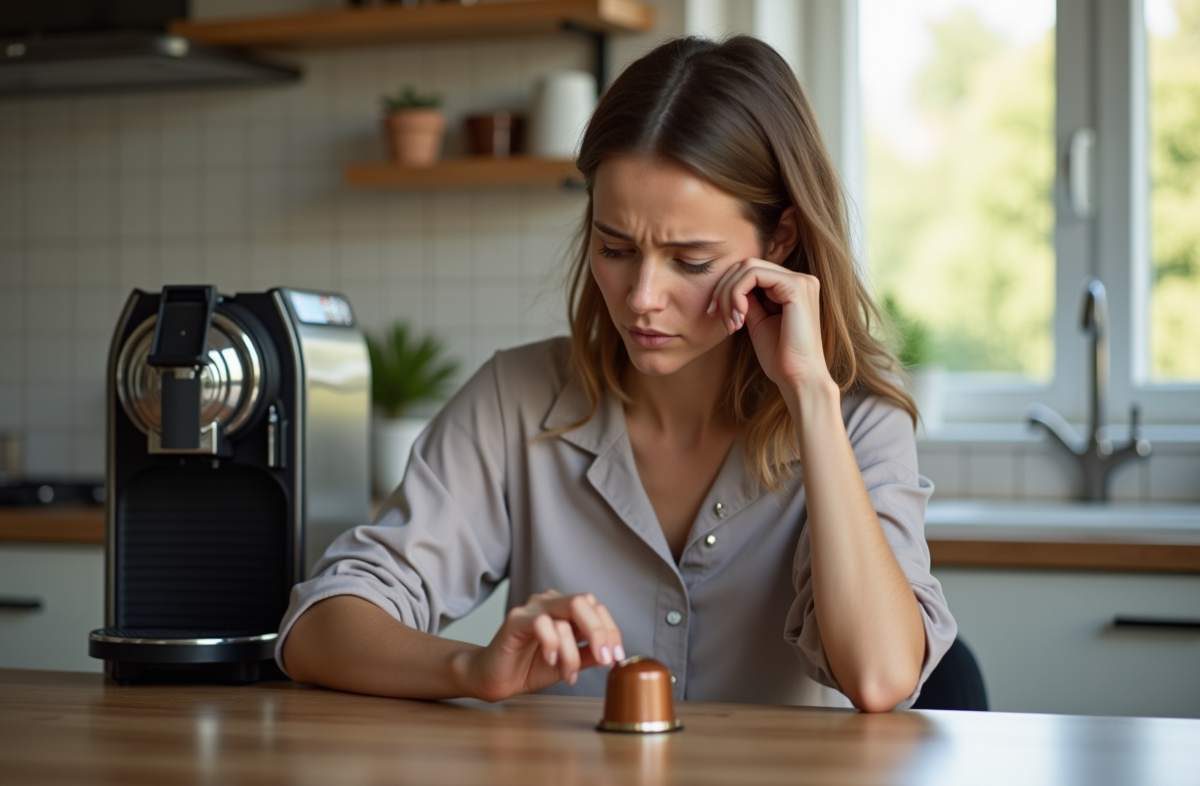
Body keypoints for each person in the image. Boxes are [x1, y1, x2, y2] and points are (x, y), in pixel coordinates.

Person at [279, 35, 956, 713]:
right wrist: (472, 667)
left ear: (778, 240)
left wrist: (810, 397)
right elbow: (318, 628)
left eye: (691, 261)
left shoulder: (856, 420)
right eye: (615, 248)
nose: (641, 297)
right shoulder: (517, 398)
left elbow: (880, 679)